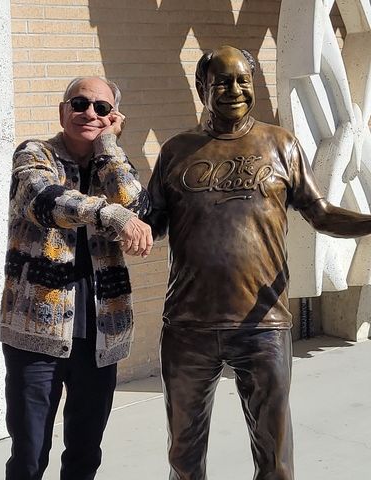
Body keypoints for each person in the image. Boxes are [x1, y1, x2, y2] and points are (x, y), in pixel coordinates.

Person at [146, 45, 371, 480]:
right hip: (188, 326)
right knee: (183, 458)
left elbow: (321, 213)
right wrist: (115, 219)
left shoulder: (280, 144)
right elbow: (150, 224)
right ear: (201, 87)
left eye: (242, 80)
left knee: (275, 458)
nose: (234, 89)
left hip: (263, 324)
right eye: (222, 81)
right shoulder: (176, 151)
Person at [0, 76, 153, 480]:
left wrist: (110, 146)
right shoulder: (36, 153)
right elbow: (41, 198)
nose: (89, 113)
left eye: (101, 108)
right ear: (63, 109)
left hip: (101, 331)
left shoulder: (110, 163)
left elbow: (137, 205)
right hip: (35, 331)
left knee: (86, 452)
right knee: (29, 455)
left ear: (113, 116)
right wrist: (108, 213)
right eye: (80, 103)